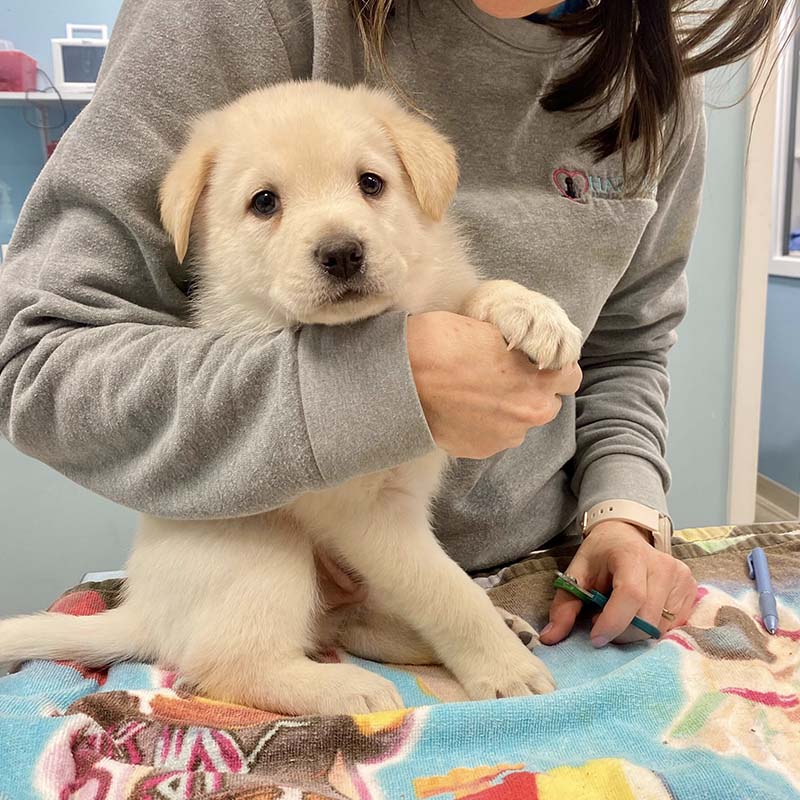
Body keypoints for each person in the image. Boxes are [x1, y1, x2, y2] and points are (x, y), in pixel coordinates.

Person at [0, 0, 785, 651]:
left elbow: (624, 346)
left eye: (371, 183)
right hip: (287, 574)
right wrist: (377, 385)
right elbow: (37, 357)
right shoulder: (234, 16)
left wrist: (624, 513)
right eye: (266, 203)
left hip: (533, 592)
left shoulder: (654, 87)